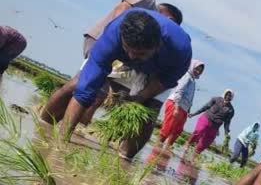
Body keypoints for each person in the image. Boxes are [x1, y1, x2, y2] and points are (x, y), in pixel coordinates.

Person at [41, 9, 192, 160]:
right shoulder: (113, 36)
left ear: (157, 46)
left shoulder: (180, 50)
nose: (133, 56)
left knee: (148, 112)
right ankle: (43, 125)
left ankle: (124, 159)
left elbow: (164, 81)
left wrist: (140, 97)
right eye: (129, 50)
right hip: (118, 52)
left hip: (158, 69)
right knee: (78, 84)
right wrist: (61, 142)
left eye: (140, 53)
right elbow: (84, 91)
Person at [158, 59, 205, 152]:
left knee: (177, 131)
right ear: (192, 67)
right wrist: (176, 107)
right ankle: (156, 151)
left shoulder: (193, 81)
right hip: (175, 104)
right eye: (196, 69)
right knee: (167, 129)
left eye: (200, 70)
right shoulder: (187, 76)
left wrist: (188, 110)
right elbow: (179, 91)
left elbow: (190, 98)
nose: (198, 71)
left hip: (183, 109)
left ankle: (165, 151)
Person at [185, 89, 235, 156]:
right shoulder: (216, 99)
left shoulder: (231, 110)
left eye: (230, 96)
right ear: (224, 94)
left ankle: (195, 154)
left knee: (207, 141)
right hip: (206, 118)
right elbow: (205, 107)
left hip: (215, 126)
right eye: (227, 94)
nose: (228, 96)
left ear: (231, 98)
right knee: (199, 131)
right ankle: (188, 144)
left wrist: (226, 133)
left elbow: (227, 122)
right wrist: (194, 114)